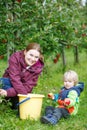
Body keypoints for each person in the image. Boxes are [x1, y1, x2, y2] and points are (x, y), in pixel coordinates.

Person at [0, 43, 44, 109]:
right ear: (25, 52)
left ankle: (10, 101)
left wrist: (8, 93)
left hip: (21, 91)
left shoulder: (37, 68)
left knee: (17, 107)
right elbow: (14, 78)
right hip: (9, 83)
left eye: (36, 57)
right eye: (31, 55)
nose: (32, 59)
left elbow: (28, 87)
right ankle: (5, 98)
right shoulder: (16, 58)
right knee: (2, 82)